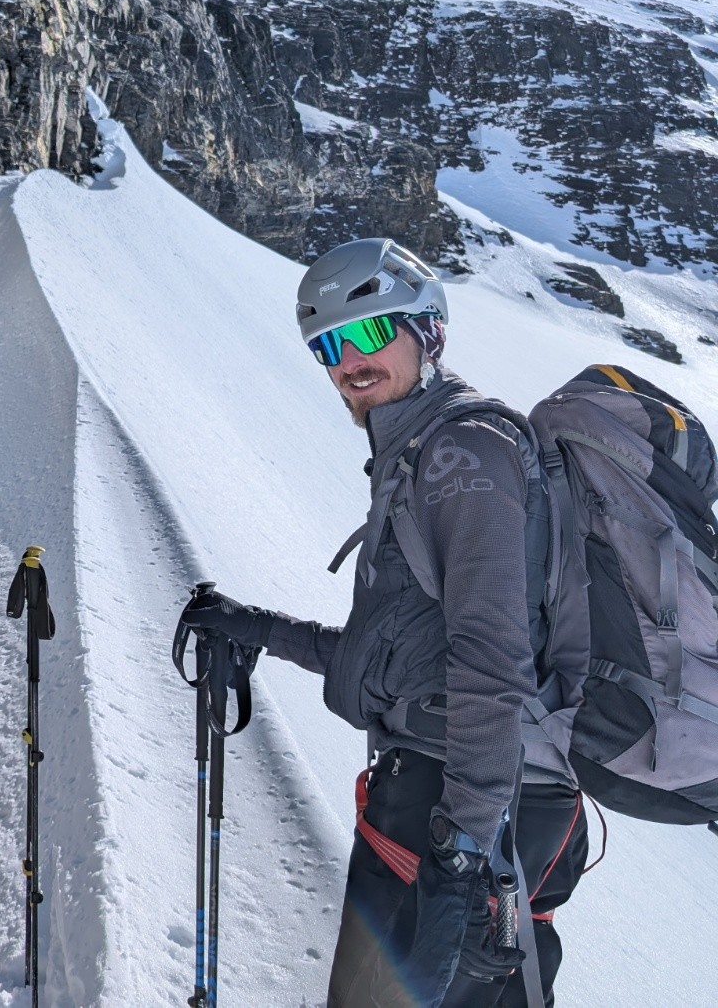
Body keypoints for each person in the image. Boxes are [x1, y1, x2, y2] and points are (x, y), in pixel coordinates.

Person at [180, 239, 588, 1007]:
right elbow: (399, 664)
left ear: (427, 329)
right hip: (456, 797)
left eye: (369, 333)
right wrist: (257, 627)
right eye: (328, 345)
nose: (346, 361)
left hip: (469, 804)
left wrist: (461, 853)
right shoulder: (418, 454)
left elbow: (492, 662)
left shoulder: (463, 452)